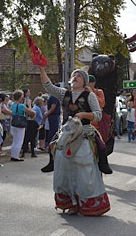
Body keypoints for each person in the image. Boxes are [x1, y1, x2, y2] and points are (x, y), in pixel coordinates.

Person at [39, 65, 111, 216]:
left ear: (84, 81)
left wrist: (84, 115)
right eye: (74, 75)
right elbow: (48, 86)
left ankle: (103, 167)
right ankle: (70, 201)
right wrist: (41, 68)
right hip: (67, 133)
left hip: (84, 133)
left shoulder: (89, 96)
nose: (75, 77)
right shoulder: (64, 94)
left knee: (85, 168)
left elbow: (98, 115)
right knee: (60, 161)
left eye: (79, 76)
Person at [10, 90, 35, 162]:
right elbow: (30, 112)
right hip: (20, 124)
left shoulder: (13, 105)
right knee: (19, 140)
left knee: (15, 140)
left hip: (14, 123)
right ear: (20, 97)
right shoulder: (21, 106)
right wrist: (29, 105)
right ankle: (16, 156)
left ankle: (13, 155)